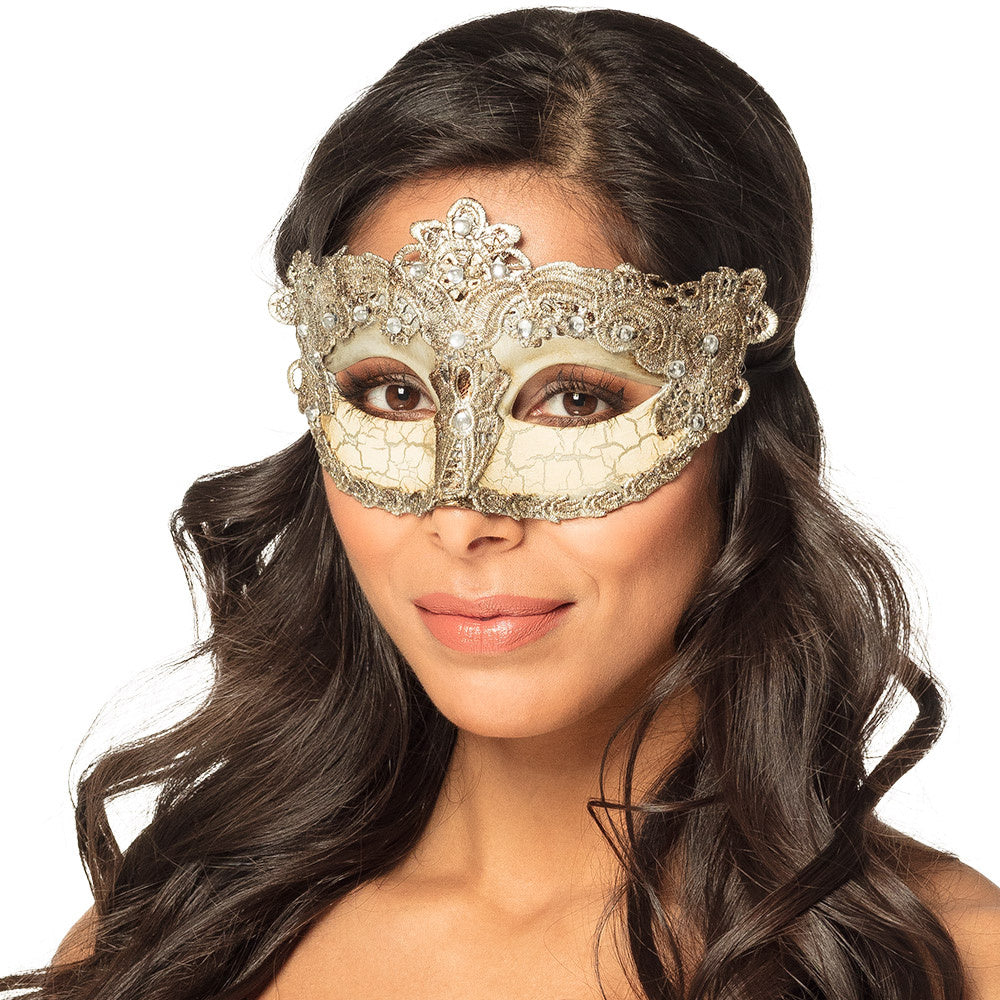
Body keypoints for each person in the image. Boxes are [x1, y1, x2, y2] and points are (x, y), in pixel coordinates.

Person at [4, 7, 998, 1000]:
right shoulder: (164, 943)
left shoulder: (947, 964)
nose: (463, 516)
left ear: (734, 424)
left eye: (575, 400)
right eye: (396, 394)